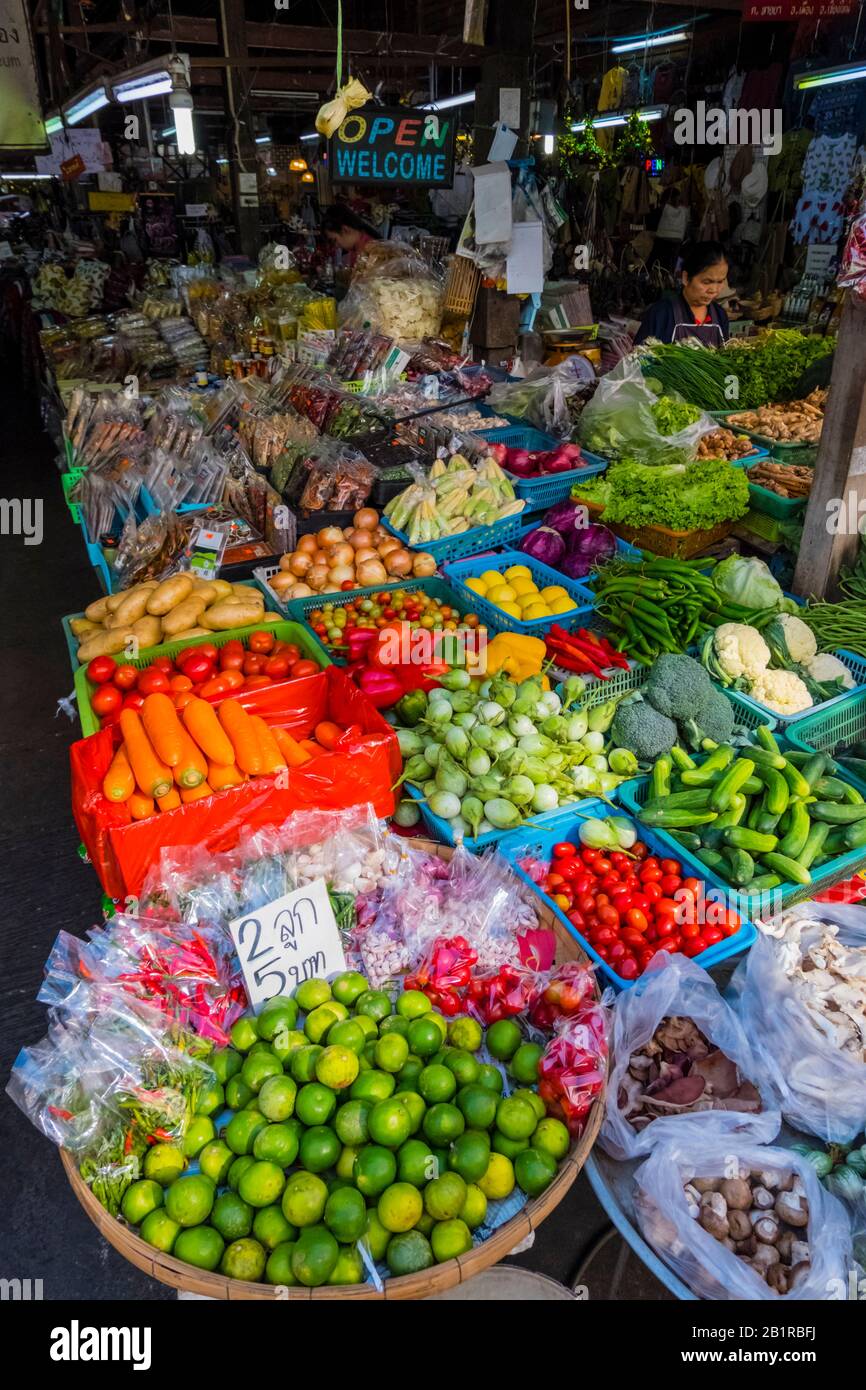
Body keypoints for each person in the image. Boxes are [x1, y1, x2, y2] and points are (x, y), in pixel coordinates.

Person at [634, 242, 731, 346]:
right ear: (685, 278)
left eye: (720, 282)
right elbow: (639, 356)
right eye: (706, 282)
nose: (714, 290)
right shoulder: (661, 314)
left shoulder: (720, 315)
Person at [320, 203, 381, 272]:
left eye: (335, 240)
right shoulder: (357, 247)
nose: (336, 246)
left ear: (345, 230)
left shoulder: (370, 249)